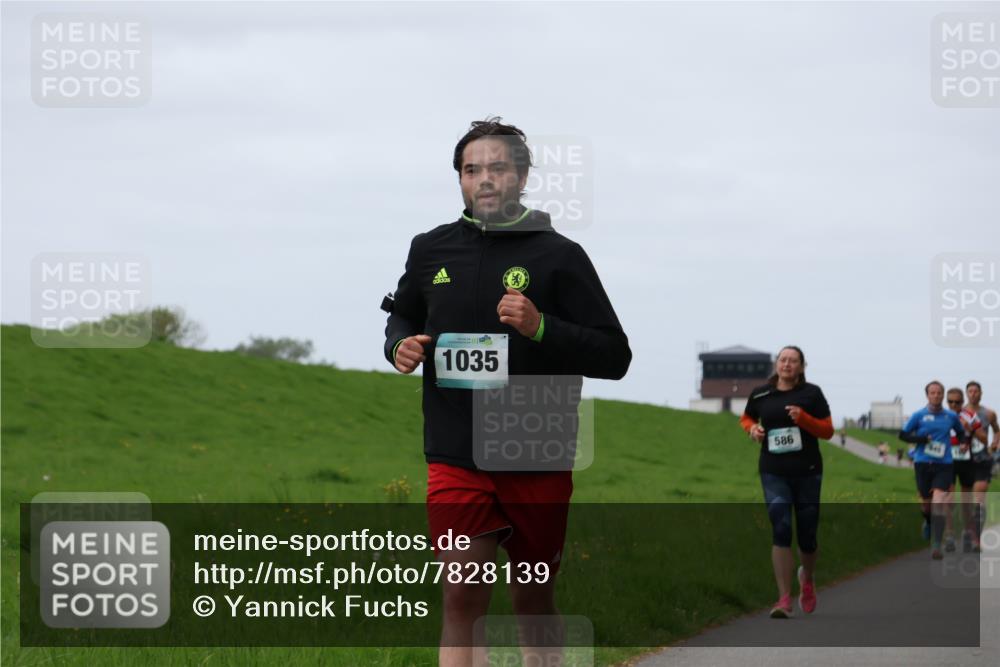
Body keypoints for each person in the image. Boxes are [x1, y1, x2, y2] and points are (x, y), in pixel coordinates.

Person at [383, 117, 631, 666]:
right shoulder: (429, 250)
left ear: (521, 176)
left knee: (532, 598)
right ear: (460, 180)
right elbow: (402, 313)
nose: (485, 179)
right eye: (472, 170)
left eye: (497, 168)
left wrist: (543, 327)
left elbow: (616, 356)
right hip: (456, 454)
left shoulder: (560, 256)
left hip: (535, 452)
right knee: (461, 596)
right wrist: (398, 344)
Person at [739, 345, 833, 618]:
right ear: (776, 364)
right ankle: (783, 599)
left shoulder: (811, 394)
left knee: (807, 536)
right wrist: (752, 429)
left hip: (808, 470)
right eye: (783, 360)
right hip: (773, 469)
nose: (787, 364)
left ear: (802, 367)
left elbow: (827, 431)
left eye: (793, 361)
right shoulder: (761, 393)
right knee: (780, 526)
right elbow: (746, 417)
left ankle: (808, 579)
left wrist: (804, 419)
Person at [898, 381, 969, 559]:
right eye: (933, 393)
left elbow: (961, 433)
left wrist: (962, 443)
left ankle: (937, 544)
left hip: (944, 464)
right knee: (926, 504)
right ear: (927, 395)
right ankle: (928, 522)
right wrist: (921, 439)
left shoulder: (950, 416)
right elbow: (903, 435)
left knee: (938, 501)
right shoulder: (919, 415)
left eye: (939, 393)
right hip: (922, 463)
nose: (936, 395)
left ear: (943, 395)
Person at [944, 388, 981, 552]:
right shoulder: (942, 416)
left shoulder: (970, 415)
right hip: (948, 461)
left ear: (962, 401)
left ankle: (969, 535)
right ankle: (950, 536)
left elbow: (983, 437)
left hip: (966, 461)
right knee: (949, 500)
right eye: (950, 402)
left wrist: (970, 428)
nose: (953, 405)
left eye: (957, 402)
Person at [964, 381, 997, 551]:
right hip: (964, 460)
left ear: (981, 393)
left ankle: (977, 536)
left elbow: (997, 430)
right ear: (966, 393)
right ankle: (968, 531)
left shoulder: (989, 413)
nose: (973, 394)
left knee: (979, 499)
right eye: (970, 391)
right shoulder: (960, 413)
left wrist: (994, 444)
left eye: (976, 391)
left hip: (983, 460)